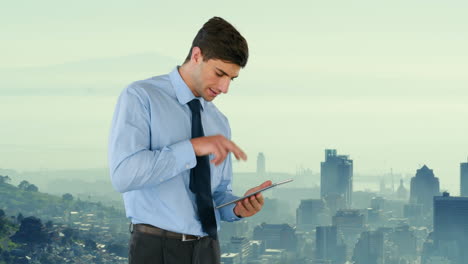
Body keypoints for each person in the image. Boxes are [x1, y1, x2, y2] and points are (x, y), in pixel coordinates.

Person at [108, 16, 271, 264]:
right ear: (196, 56)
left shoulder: (218, 121)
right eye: (219, 74)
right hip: (156, 249)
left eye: (231, 79)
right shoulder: (142, 97)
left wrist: (237, 208)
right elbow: (124, 175)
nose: (225, 87)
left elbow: (216, 193)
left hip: (208, 249)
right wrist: (192, 148)